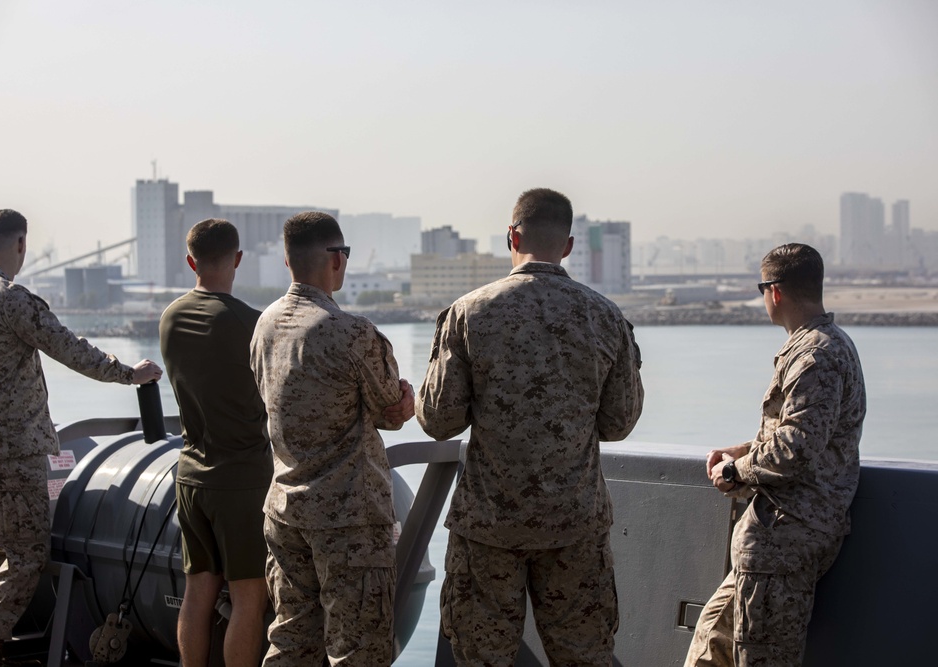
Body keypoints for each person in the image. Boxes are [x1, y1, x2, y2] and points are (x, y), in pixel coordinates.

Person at [416, 188, 644, 667]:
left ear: (511, 236)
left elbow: (439, 420)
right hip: (574, 524)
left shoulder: (468, 313)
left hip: (489, 526)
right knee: (585, 657)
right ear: (568, 246)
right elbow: (619, 422)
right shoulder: (604, 316)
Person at [0, 209, 163, 667]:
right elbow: (69, 348)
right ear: (20, 245)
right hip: (13, 450)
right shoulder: (11, 299)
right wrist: (130, 373)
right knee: (26, 556)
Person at [684, 243, 866, 666]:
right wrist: (744, 449)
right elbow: (798, 434)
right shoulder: (820, 347)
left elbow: (795, 447)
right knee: (712, 643)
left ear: (775, 292)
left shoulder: (815, 355)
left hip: (785, 538)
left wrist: (736, 469)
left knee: (760, 656)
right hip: (774, 539)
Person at [249, 211, 414, 666]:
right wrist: (406, 400)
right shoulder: (352, 332)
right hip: (350, 522)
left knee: (290, 641)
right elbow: (390, 412)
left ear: (288, 262)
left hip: (285, 511)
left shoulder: (265, 324)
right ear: (336, 260)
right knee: (358, 651)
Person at [159, 219, 272, 667]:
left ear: (191, 261)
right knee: (249, 598)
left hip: (190, 475)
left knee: (198, 590)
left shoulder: (171, 317)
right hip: (242, 479)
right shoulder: (250, 323)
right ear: (238, 259)